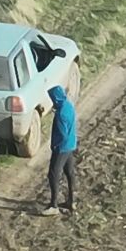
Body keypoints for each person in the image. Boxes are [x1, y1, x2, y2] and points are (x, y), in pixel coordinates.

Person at [41, 86, 77, 216]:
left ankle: (54, 205)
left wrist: (55, 147)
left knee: (53, 174)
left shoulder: (60, 114)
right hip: (71, 145)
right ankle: (72, 201)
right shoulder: (68, 105)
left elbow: (62, 134)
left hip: (62, 147)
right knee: (70, 172)